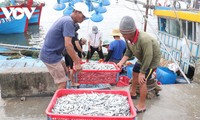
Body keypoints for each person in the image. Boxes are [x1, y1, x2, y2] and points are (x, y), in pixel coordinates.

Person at [39, 2, 91, 89]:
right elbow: (68, 45)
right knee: (62, 83)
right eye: (83, 16)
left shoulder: (66, 19)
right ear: (77, 12)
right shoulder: (68, 22)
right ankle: (60, 100)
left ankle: (69, 88)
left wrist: (76, 58)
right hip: (50, 55)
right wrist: (77, 63)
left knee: (66, 72)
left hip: (56, 54)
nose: (84, 19)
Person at [117, 16, 161, 113]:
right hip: (142, 59)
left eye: (124, 34)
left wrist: (142, 72)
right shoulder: (128, 38)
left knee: (142, 81)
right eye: (122, 33)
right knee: (134, 72)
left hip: (151, 61)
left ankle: (142, 105)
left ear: (131, 32)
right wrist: (120, 62)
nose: (123, 36)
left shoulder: (144, 39)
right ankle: (132, 93)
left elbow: (149, 56)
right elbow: (129, 51)